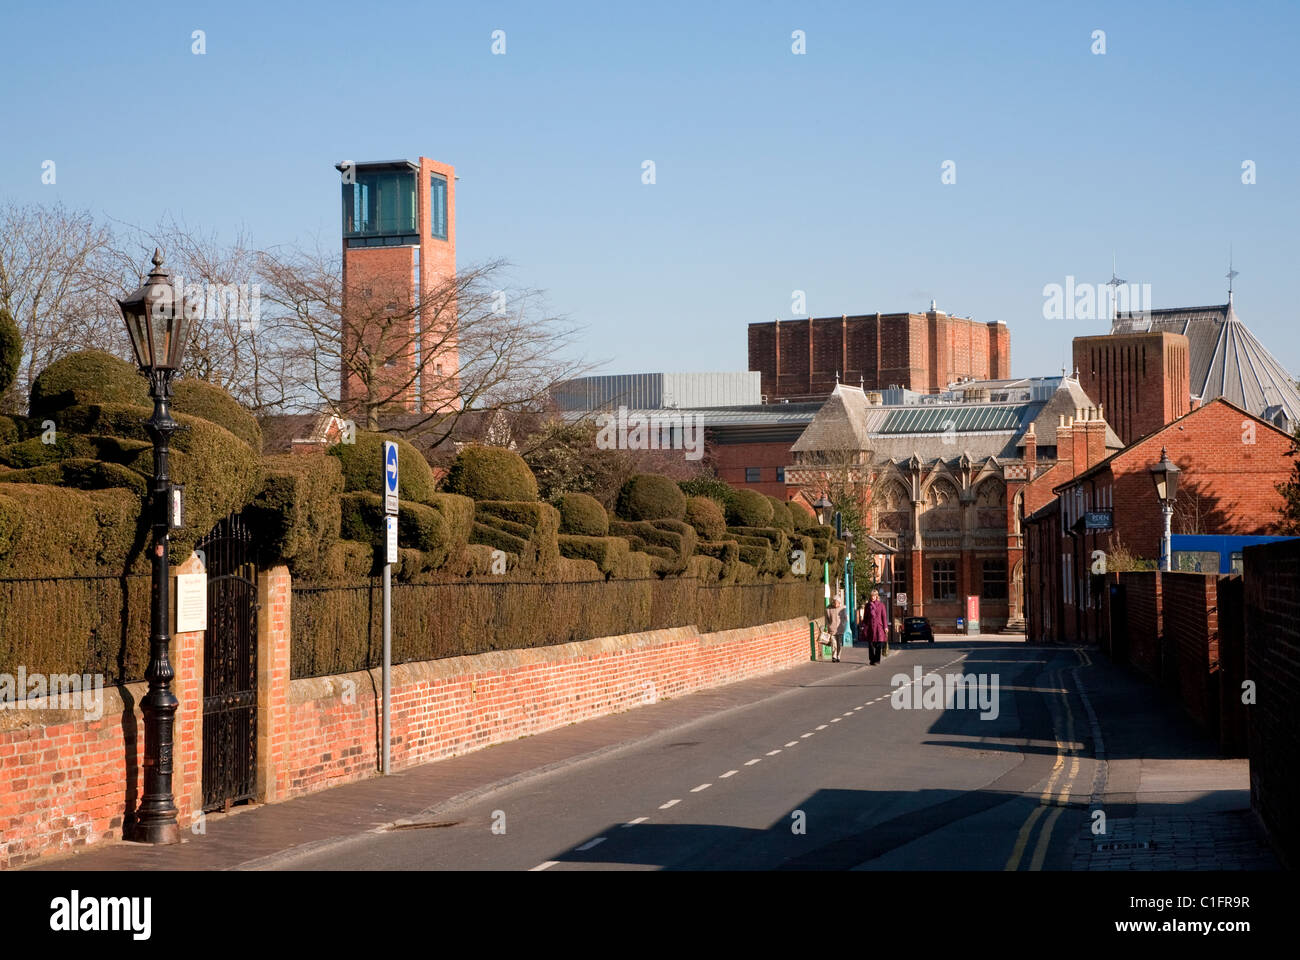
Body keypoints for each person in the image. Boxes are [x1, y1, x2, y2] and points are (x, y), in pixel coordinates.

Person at [864, 588, 888, 665]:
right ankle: (872, 660)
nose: (872, 597)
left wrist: (885, 627)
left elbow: (884, 617)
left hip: (879, 627)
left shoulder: (881, 605)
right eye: (871, 596)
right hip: (870, 627)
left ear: (877, 596)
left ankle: (877, 660)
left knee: (879, 644)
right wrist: (864, 626)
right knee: (871, 644)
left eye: (874, 596)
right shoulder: (867, 606)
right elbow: (865, 617)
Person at [823, 594, 847, 662]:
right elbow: (826, 619)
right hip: (832, 628)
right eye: (834, 602)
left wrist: (843, 626)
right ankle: (834, 656)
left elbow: (845, 618)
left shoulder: (842, 608)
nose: (835, 604)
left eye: (837, 602)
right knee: (833, 643)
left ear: (839, 602)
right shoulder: (828, 608)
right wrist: (828, 626)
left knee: (839, 643)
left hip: (840, 629)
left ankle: (838, 656)